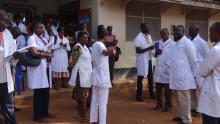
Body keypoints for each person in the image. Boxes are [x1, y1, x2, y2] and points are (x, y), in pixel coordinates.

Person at [27, 21, 56, 123]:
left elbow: (46, 49)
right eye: (40, 28)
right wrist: (47, 55)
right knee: (39, 92)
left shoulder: (43, 38)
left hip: (46, 67)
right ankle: (38, 116)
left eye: (43, 28)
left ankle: (45, 112)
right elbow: (33, 52)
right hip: (38, 68)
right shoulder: (32, 38)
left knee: (45, 91)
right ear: (34, 29)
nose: (42, 30)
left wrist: (49, 52)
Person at [170, 25, 197, 124]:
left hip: (184, 77)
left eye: (178, 31)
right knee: (178, 98)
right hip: (176, 76)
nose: (176, 33)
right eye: (175, 32)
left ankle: (187, 120)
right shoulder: (176, 43)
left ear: (183, 32)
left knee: (184, 99)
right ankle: (182, 116)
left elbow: (194, 61)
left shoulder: (187, 43)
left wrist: (194, 75)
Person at [90, 29, 114, 124]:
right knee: (103, 102)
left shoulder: (95, 44)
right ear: (105, 37)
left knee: (95, 100)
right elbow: (105, 52)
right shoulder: (100, 45)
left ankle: (93, 120)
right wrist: (111, 51)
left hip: (96, 77)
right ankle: (102, 122)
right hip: (102, 78)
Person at [198, 22, 220, 124]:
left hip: (212, 93)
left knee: (211, 120)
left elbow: (202, 72)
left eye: (211, 32)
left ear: (218, 32)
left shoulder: (215, 50)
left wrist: (208, 71)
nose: (209, 35)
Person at [0, 10, 19, 124]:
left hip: (5, 76)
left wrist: (15, 56)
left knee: (8, 106)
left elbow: (12, 54)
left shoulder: (7, 33)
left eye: (7, 23)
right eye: (3, 22)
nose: (6, 26)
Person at [69, 31, 92, 121]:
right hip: (81, 75)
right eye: (83, 37)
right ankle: (83, 115)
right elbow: (71, 62)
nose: (85, 39)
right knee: (83, 96)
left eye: (86, 37)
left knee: (81, 95)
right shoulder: (78, 47)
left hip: (86, 74)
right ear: (79, 38)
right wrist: (73, 73)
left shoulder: (86, 48)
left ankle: (80, 114)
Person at [188, 24, 209, 117]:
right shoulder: (188, 41)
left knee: (200, 90)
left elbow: (207, 57)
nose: (189, 32)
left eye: (191, 30)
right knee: (192, 90)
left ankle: (200, 110)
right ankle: (194, 107)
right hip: (190, 70)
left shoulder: (202, 42)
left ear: (196, 31)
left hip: (200, 70)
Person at [153, 28, 175, 112]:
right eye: (161, 34)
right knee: (158, 90)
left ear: (168, 34)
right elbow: (153, 54)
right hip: (158, 70)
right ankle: (159, 104)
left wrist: (167, 64)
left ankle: (168, 106)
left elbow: (174, 56)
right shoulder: (157, 43)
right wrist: (156, 53)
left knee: (167, 91)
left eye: (164, 33)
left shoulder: (173, 44)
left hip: (167, 70)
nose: (163, 35)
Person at [134, 23, 155, 102]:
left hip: (149, 59)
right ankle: (138, 96)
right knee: (140, 77)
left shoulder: (149, 36)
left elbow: (151, 46)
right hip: (142, 60)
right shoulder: (138, 37)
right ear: (142, 28)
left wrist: (154, 51)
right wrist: (149, 47)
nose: (148, 28)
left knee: (150, 77)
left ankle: (152, 93)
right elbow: (138, 50)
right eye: (146, 27)